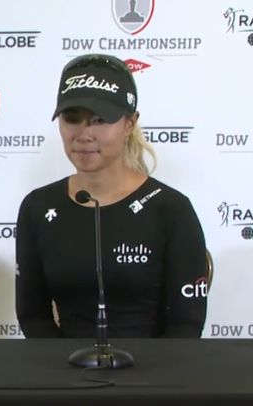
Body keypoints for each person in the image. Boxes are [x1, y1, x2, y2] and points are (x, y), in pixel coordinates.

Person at [15, 54, 208, 339]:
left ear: (129, 123)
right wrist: (64, 364)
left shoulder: (171, 209)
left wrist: (151, 368)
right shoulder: (38, 207)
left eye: (100, 120)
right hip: (64, 365)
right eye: (72, 119)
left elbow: (186, 323)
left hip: (155, 366)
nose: (84, 134)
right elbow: (32, 315)